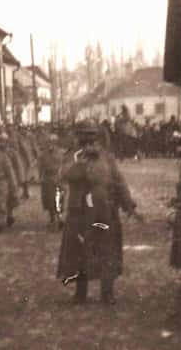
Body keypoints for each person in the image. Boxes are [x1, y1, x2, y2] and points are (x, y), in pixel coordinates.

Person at [56, 119, 142, 305]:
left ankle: (107, 292)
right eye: (84, 135)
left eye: (92, 135)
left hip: (105, 211)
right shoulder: (73, 156)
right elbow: (65, 174)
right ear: (78, 137)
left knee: (107, 251)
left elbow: (118, 181)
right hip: (80, 213)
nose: (89, 140)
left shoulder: (107, 157)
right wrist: (82, 161)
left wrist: (129, 205)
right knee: (80, 252)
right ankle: (80, 293)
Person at [38, 134, 67, 229]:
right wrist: (40, 177)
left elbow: (65, 166)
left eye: (53, 142)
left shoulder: (61, 153)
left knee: (59, 199)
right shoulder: (43, 154)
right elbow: (41, 167)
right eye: (49, 142)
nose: (51, 144)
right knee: (49, 200)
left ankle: (59, 218)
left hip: (58, 178)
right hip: (47, 179)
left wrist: (64, 176)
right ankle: (52, 218)